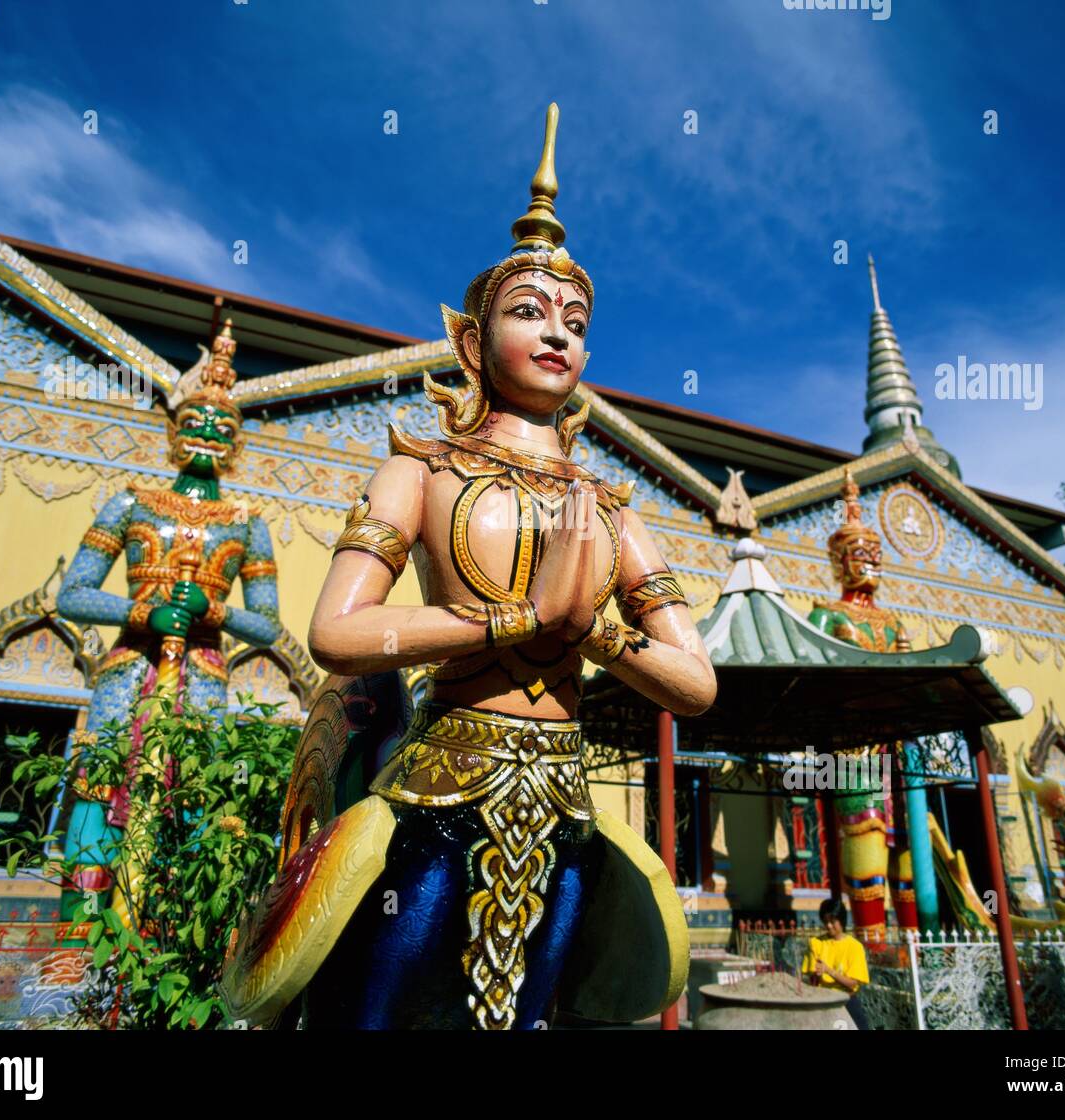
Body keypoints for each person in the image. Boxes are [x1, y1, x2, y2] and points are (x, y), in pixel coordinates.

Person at [221, 104, 716, 1030]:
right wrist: (518, 617)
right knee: (376, 1010)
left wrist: (597, 632)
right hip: (435, 796)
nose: (557, 332)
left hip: (563, 811)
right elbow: (337, 633)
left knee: (528, 1018)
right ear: (471, 342)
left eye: (574, 319)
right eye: (529, 311)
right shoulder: (422, 470)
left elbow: (693, 683)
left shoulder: (612, 512)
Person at [803, 898, 871, 1030]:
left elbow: (853, 984)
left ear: (842, 920)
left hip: (846, 1001)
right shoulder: (816, 943)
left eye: (832, 921)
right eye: (825, 921)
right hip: (822, 1001)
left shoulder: (854, 947)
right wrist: (815, 975)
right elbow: (809, 978)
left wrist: (829, 971)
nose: (828, 925)